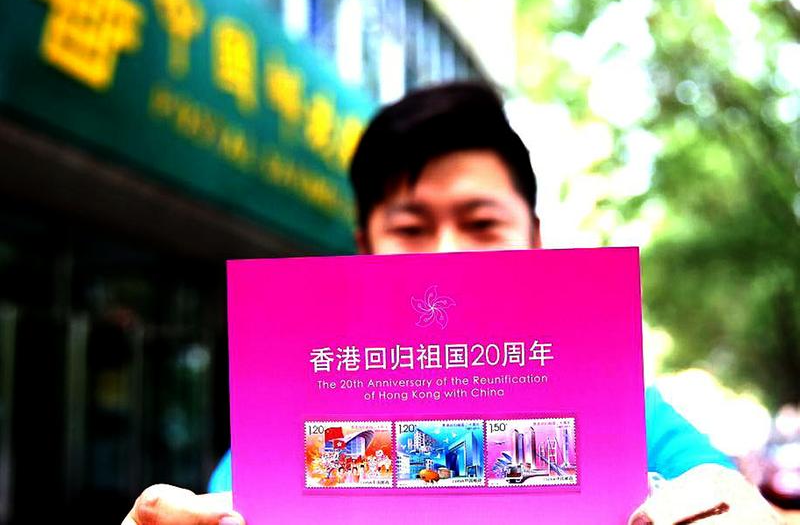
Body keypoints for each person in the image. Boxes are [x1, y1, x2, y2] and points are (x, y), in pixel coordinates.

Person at [123, 82, 779, 525]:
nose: (446, 255)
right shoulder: (288, 436)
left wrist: (745, 510)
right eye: (411, 227)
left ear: (534, 238)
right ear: (364, 247)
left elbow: (730, 500)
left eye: (481, 222)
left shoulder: (629, 418)